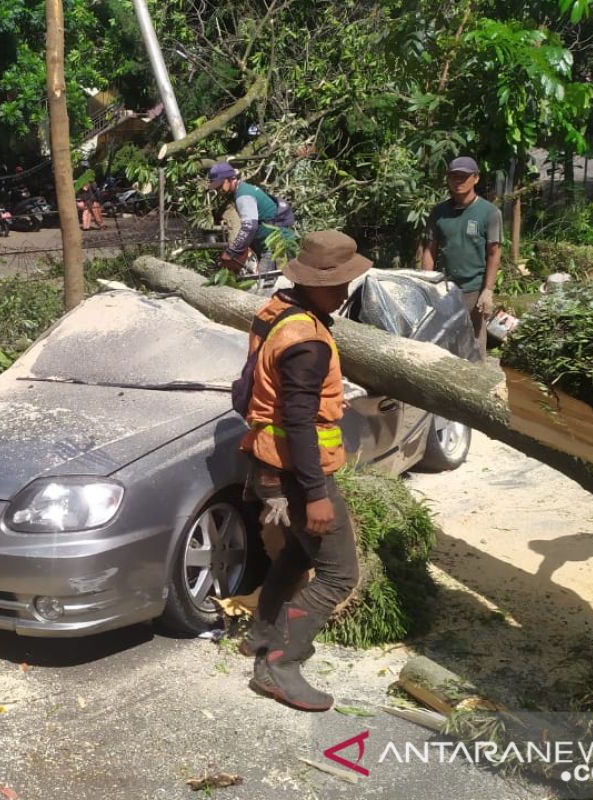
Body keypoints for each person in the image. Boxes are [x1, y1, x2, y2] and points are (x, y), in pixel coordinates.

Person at [237, 230, 370, 712]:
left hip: (268, 461)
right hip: (297, 472)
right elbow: (297, 419)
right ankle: (280, 663)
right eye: (336, 282)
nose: (344, 291)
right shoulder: (308, 343)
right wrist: (314, 493)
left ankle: (259, 636)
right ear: (312, 281)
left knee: (294, 555)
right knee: (338, 575)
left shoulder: (278, 311)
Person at [421, 156, 502, 349]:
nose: (458, 181)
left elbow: (494, 253)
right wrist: (426, 284)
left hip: (473, 290)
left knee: (473, 343)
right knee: (443, 340)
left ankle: (477, 375)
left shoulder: (489, 213)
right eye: (454, 176)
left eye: (464, 177)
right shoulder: (439, 212)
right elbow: (429, 250)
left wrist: (488, 291)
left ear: (476, 178)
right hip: (445, 288)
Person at [208, 161, 298, 275]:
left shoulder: (243, 195)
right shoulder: (244, 190)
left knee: (265, 286)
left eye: (220, 185)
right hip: (277, 243)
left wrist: (232, 251)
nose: (219, 190)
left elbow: (249, 227)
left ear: (229, 179)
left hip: (276, 246)